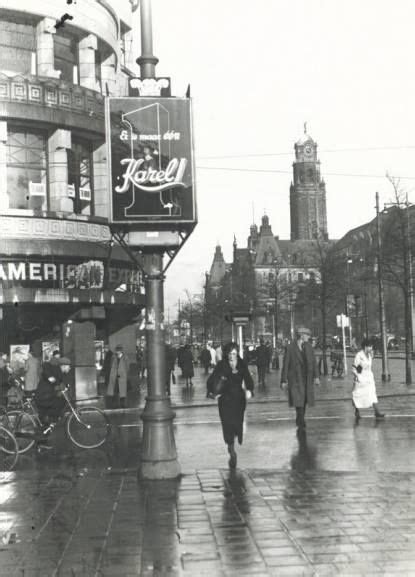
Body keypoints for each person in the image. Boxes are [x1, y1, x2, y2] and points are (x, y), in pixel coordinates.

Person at [207, 342, 254, 468]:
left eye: (234, 353)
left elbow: (248, 378)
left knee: (237, 422)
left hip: (238, 399)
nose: (232, 356)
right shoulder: (221, 365)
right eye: (230, 353)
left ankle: (234, 439)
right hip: (225, 400)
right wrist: (212, 392)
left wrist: (250, 389)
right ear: (226, 354)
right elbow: (211, 380)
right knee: (227, 424)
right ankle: (231, 448)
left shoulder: (242, 363)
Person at [280, 327, 320, 433]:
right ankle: (301, 419)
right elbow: (286, 364)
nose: (308, 337)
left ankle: (300, 418)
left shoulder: (309, 347)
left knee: (304, 400)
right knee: (298, 400)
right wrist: (283, 380)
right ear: (301, 335)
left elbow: (314, 363)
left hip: (307, 379)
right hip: (295, 379)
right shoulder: (290, 347)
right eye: (307, 335)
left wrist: (316, 377)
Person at [352, 339, 385, 422]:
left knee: (372, 394)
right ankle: (357, 411)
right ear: (365, 347)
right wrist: (358, 377)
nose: (371, 348)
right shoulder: (359, 355)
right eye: (369, 346)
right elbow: (354, 368)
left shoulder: (370, 355)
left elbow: (369, 365)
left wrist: (372, 355)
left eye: (371, 346)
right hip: (361, 378)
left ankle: (377, 412)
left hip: (369, 378)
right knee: (358, 395)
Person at [35, 357, 71, 426]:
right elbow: (46, 369)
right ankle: (50, 419)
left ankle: (49, 420)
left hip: (47, 395)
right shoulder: (54, 371)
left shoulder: (60, 373)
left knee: (61, 401)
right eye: (69, 366)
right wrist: (51, 379)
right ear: (64, 366)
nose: (69, 368)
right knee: (59, 402)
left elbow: (60, 383)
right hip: (43, 396)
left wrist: (64, 387)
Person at [106, 344, 129, 409]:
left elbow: (127, 367)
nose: (117, 352)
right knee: (115, 391)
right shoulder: (113, 357)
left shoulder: (125, 357)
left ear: (121, 351)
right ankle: (115, 404)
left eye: (118, 350)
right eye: (117, 350)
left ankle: (123, 404)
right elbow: (111, 366)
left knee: (122, 392)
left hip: (122, 376)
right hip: (114, 376)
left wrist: (124, 373)